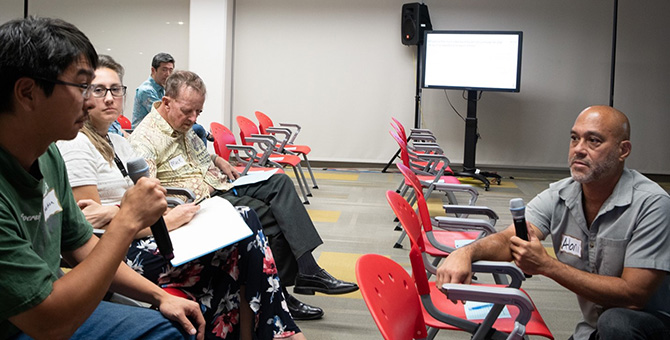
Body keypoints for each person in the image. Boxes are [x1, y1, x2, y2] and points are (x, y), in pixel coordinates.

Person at [57, 54, 305, 340]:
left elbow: (140, 204)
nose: (110, 98)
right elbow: (91, 229)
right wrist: (162, 219)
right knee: (242, 243)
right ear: (82, 95)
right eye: (99, 90)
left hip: (151, 231)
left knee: (244, 231)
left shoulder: (118, 143)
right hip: (122, 251)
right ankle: (280, 330)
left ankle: (267, 330)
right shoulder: (76, 146)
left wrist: (139, 213)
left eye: (116, 89)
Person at [0, 16, 205, 340]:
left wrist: (159, 296)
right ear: (27, 93)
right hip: (27, 323)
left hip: (51, 304)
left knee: (175, 324)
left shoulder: (48, 155)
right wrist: (127, 219)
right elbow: (49, 324)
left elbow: (80, 244)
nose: (94, 101)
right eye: (83, 87)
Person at [128, 70, 358, 320]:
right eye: (188, 111)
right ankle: (282, 291)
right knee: (270, 218)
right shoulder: (146, 138)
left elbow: (197, 150)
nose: (194, 118)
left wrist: (217, 159)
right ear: (166, 102)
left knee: (280, 181)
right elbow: (146, 194)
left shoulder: (182, 121)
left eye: (199, 112)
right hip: (200, 201)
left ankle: (306, 269)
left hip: (220, 182)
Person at [436, 106, 670, 340]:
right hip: (593, 330)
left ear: (623, 150)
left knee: (616, 322)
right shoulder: (561, 194)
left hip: (650, 325)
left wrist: (547, 265)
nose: (579, 149)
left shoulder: (652, 204)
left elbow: (633, 295)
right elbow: (511, 240)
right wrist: (465, 253)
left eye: (594, 141)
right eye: (574, 138)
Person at [132, 52, 210, 145]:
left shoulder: (163, 88)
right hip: (147, 134)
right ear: (153, 70)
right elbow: (163, 116)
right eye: (164, 70)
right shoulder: (145, 90)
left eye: (170, 70)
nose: (168, 74)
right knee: (198, 130)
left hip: (162, 129)